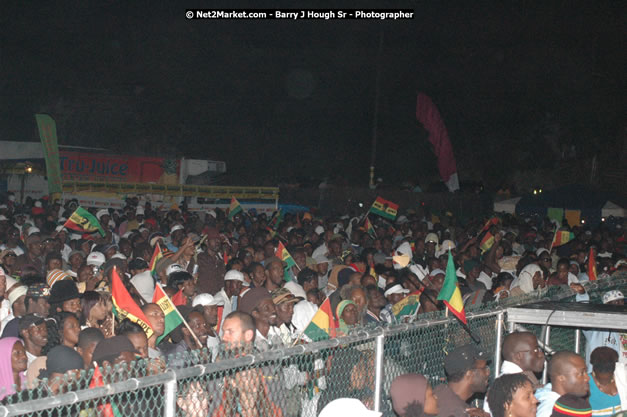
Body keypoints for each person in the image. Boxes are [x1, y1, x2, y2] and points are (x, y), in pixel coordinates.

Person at [434, 344, 491, 417]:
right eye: (484, 368)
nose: (488, 372)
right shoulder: (452, 411)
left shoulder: (441, 391)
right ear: (469, 374)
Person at [535, 351, 590, 417]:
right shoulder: (549, 411)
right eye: (581, 373)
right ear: (561, 378)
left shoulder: (565, 403)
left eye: (586, 372)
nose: (587, 378)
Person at [588, 347, 622, 417]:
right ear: (594, 368)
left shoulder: (622, 379)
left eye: (609, 373)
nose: (605, 381)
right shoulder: (585, 384)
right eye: (601, 376)